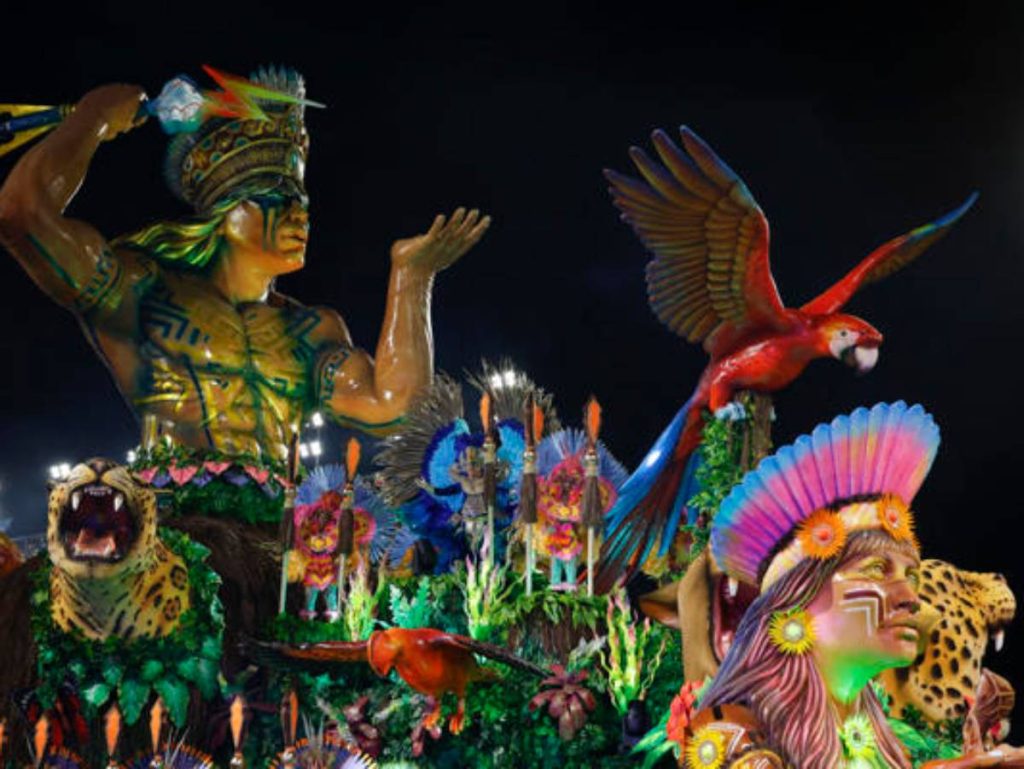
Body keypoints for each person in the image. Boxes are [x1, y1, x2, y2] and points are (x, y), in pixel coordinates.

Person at [0, 67, 489, 462]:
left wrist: (412, 278)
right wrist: (92, 120)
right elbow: (21, 215)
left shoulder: (310, 329)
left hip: (277, 535)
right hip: (174, 528)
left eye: (302, 202)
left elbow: (397, 412)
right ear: (228, 214)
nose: (301, 216)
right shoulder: (141, 292)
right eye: (280, 199)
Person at [676, 402, 1024, 768]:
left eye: (911, 577)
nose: (911, 598)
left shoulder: (883, 743)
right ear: (798, 597)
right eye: (875, 570)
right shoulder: (728, 737)